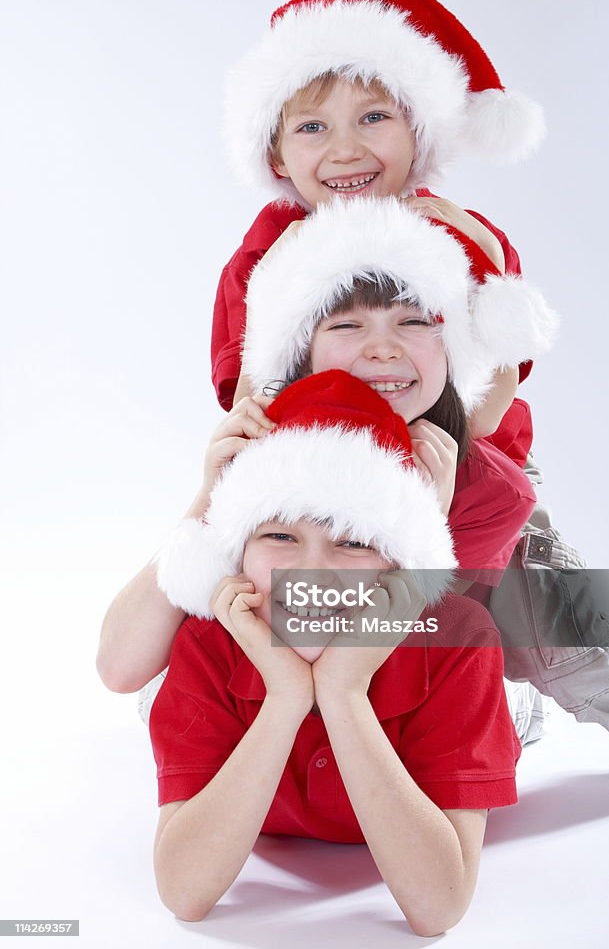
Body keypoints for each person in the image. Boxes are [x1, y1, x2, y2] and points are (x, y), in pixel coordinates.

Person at [209, 0, 609, 774]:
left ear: (418, 130)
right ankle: (431, 719)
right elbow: (247, 393)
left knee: (566, 640)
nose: (346, 148)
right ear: (276, 151)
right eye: (313, 127)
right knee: (323, 634)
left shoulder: (459, 239)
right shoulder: (267, 257)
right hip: (338, 495)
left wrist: (479, 254)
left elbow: (495, 397)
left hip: (471, 472)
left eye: (373, 118)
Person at [98, 198, 545, 744]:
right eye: (347, 324)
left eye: (414, 321)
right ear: (301, 351)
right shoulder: (268, 449)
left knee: (554, 619)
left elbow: (421, 657)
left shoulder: (486, 488)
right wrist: (208, 500)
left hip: (402, 707)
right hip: (289, 709)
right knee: (169, 681)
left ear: (453, 352)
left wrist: (427, 530)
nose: (383, 348)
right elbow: (120, 668)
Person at [150, 369, 521, 933]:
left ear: (397, 563)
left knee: (550, 632)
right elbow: (184, 893)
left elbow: (437, 909)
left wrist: (344, 690)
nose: (310, 571)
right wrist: (286, 695)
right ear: (238, 552)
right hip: (233, 701)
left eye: (352, 541)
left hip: (484, 705)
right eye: (278, 536)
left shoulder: (460, 639)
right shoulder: (209, 637)